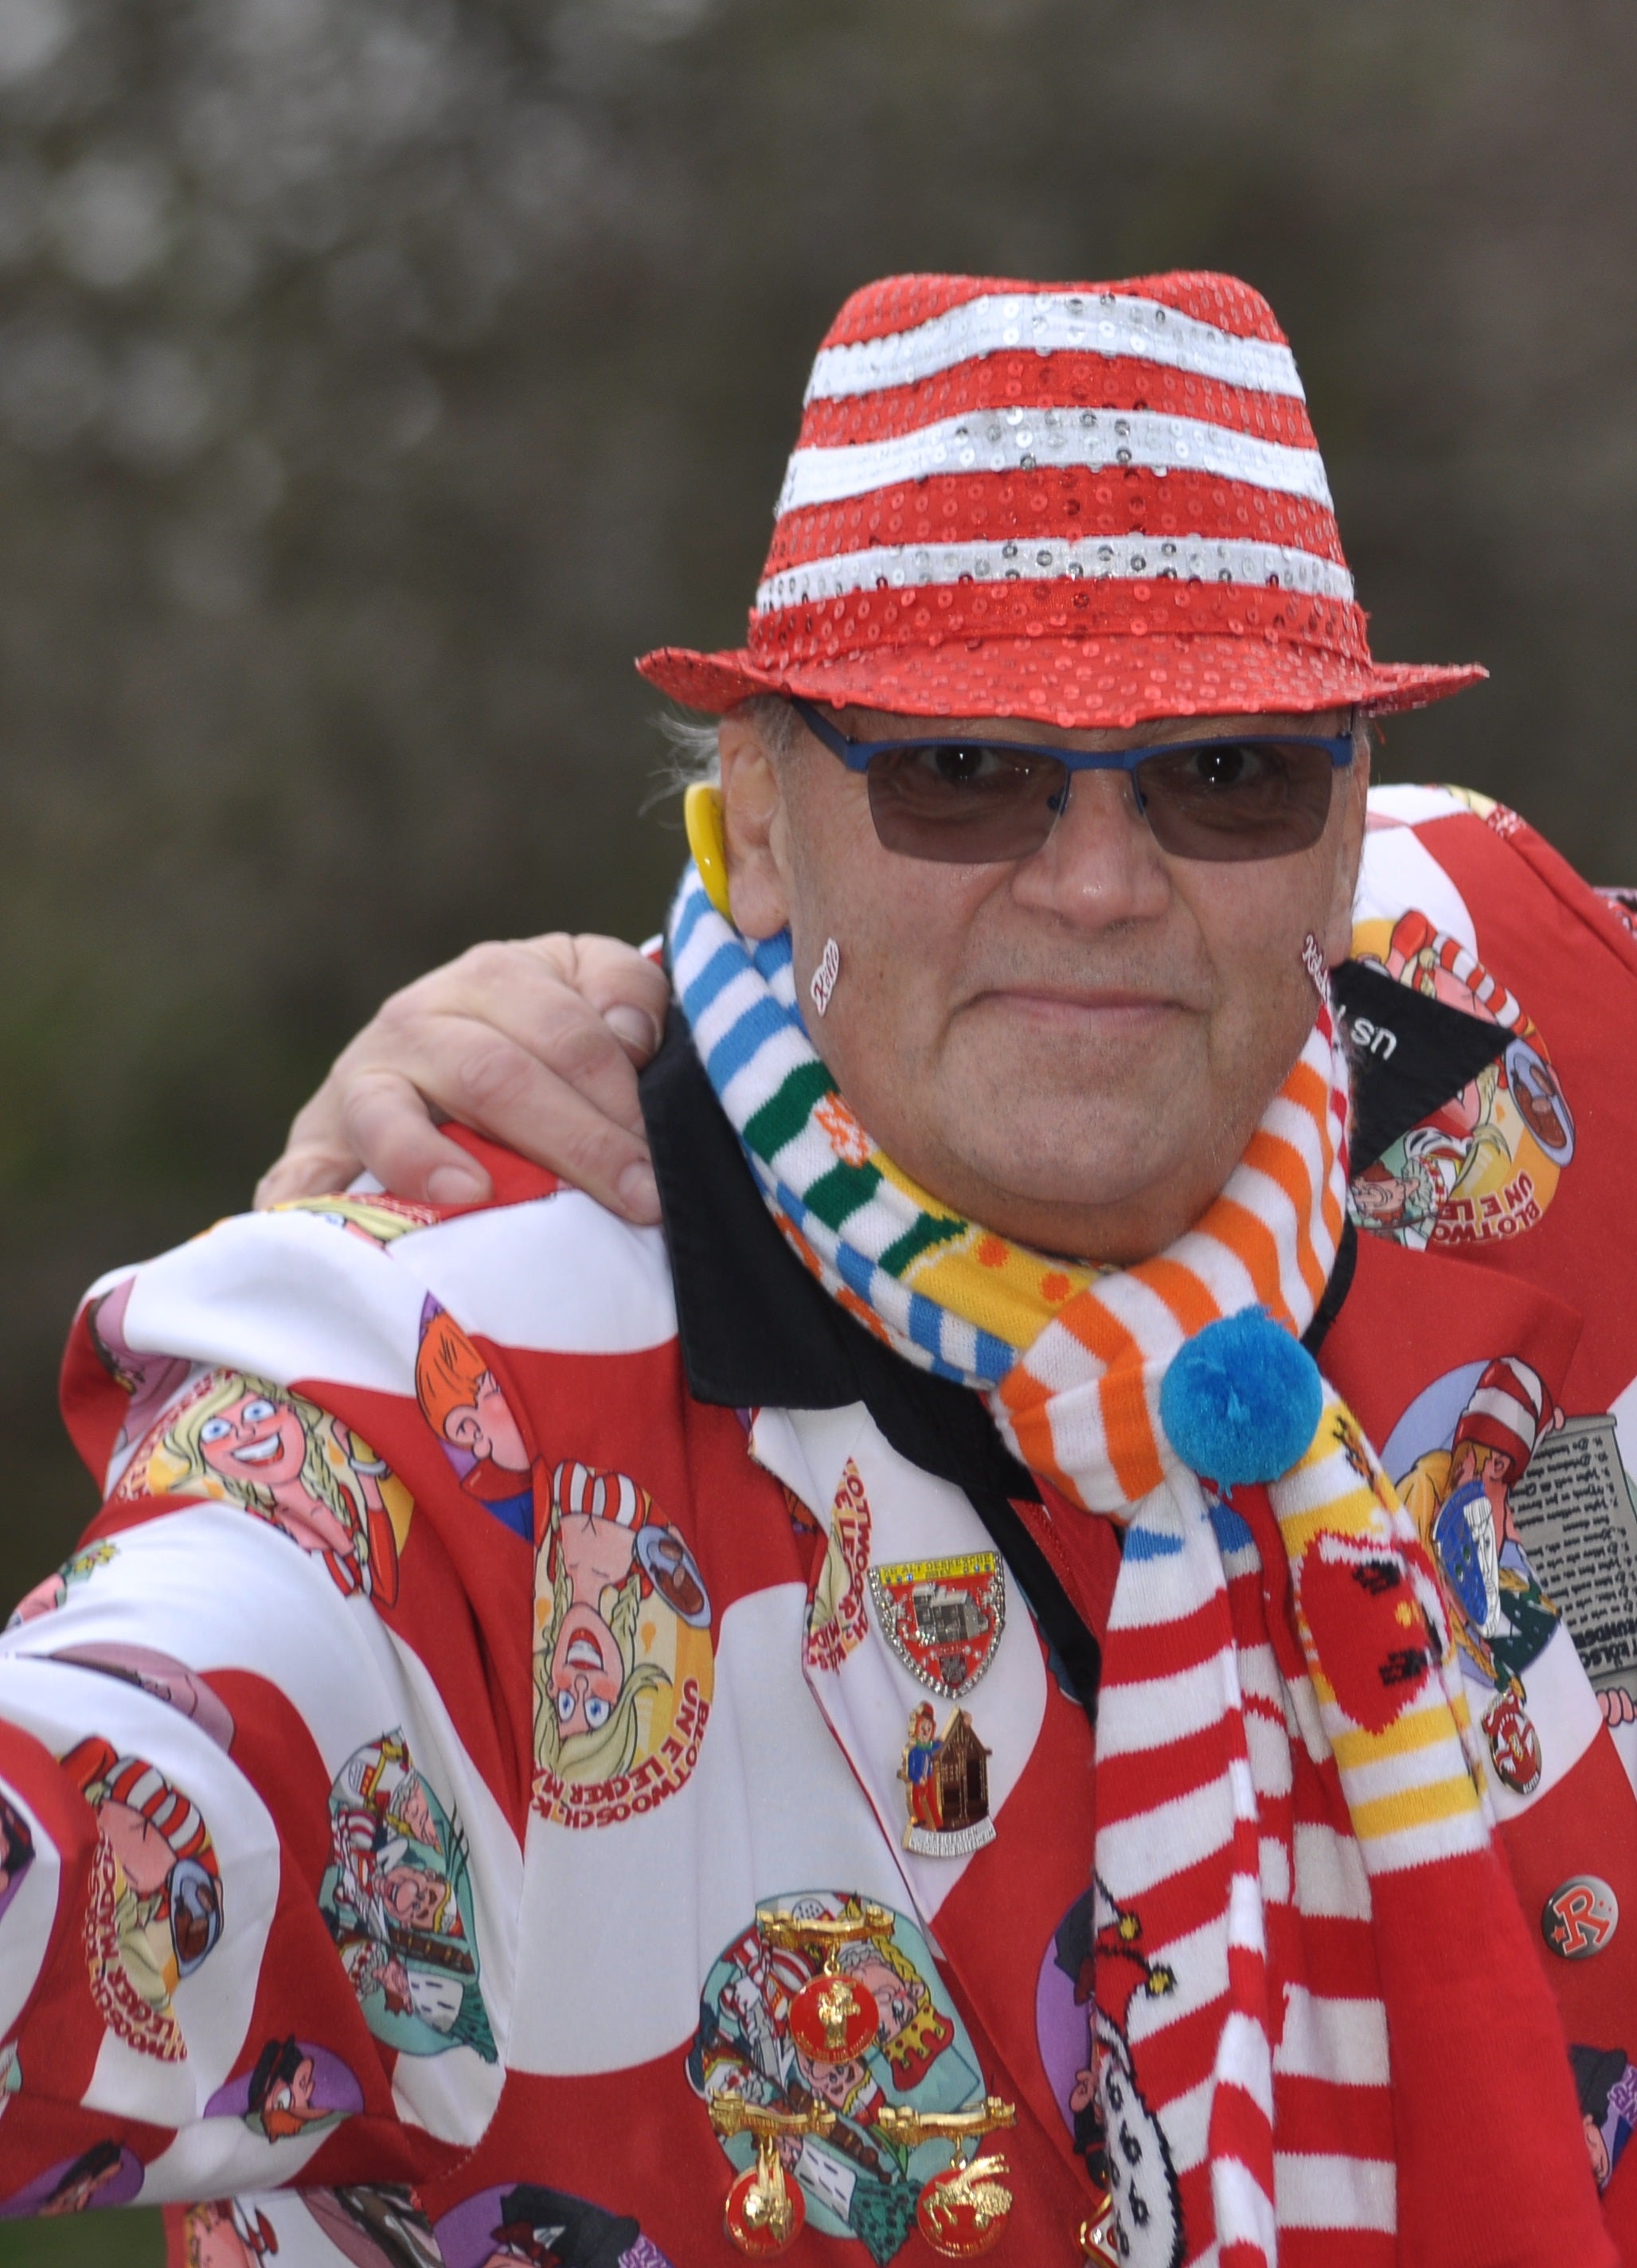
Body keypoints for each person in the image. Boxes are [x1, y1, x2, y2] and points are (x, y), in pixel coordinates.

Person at [2, 272, 1635, 2268]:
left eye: (1228, 774)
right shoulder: (435, 1376)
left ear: (1346, 815)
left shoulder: (1522, 1028)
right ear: (755, 821)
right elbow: (132, 1759)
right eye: (958, 768)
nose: (1101, 880)